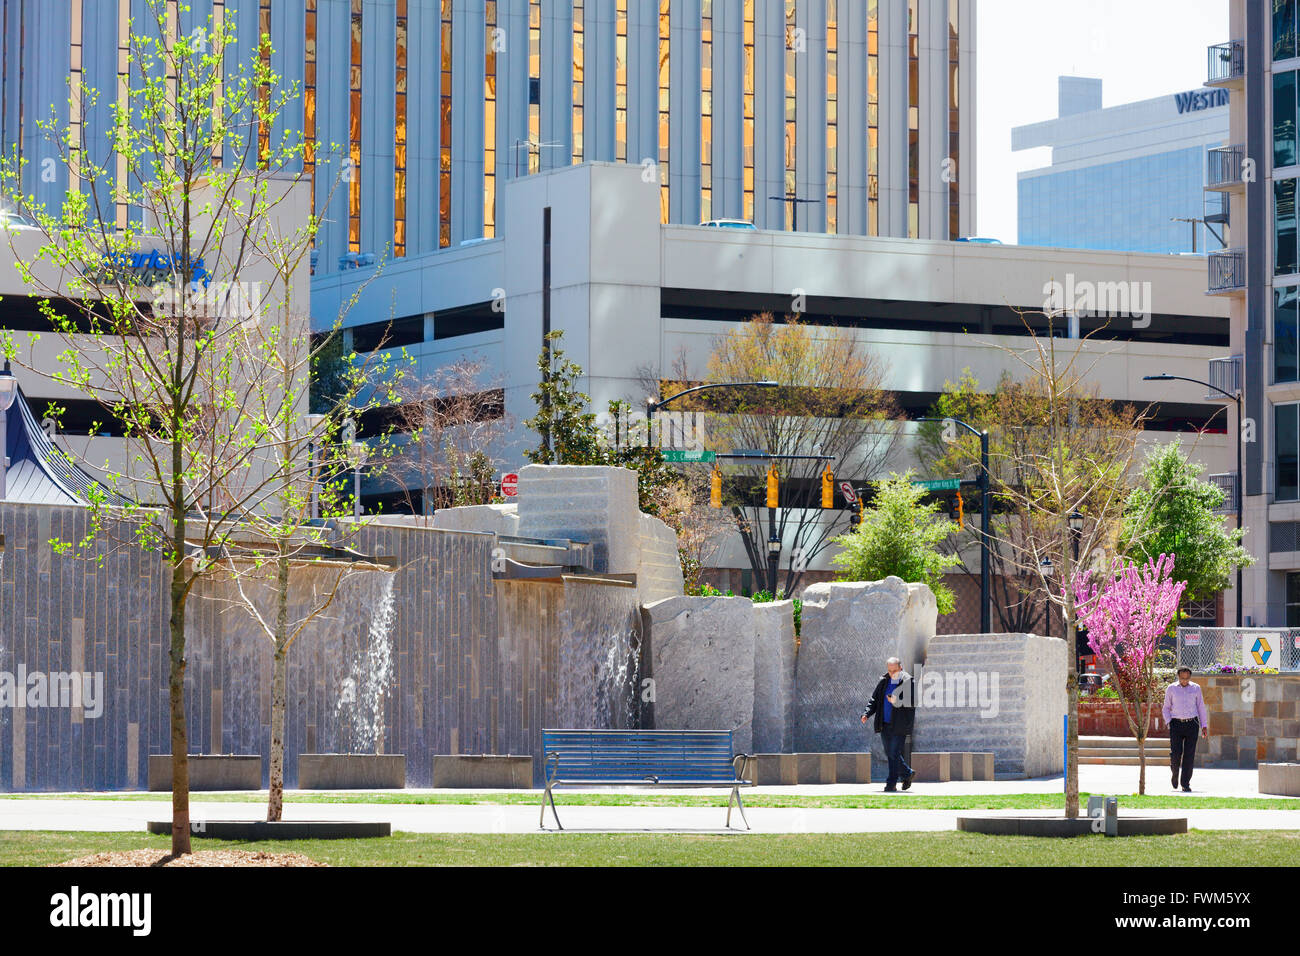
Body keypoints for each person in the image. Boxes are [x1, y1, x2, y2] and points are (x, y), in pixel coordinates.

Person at [861, 656, 916, 792]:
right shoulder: (884, 681)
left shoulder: (908, 681)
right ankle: (907, 773)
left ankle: (891, 783)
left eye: (895, 670)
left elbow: (912, 702)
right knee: (890, 753)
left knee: (893, 752)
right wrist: (866, 713)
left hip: (900, 724)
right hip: (884, 724)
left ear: (900, 668)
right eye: (890, 671)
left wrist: (897, 701)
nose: (892, 674)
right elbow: (874, 699)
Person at [1161, 666, 1209, 792]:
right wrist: (1169, 722)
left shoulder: (1196, 688)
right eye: (1182, 678)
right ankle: (1175, 773)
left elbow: (1201, 707)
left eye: (1187, 678)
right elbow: (1166, 707)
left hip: (1192, 724)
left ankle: (1185, 783)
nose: (1185, 681)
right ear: (1178, 676)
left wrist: (1204, 725)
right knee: (1176, 754)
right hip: (1176, 724)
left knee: (1189, 755)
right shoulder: (1171, 688)